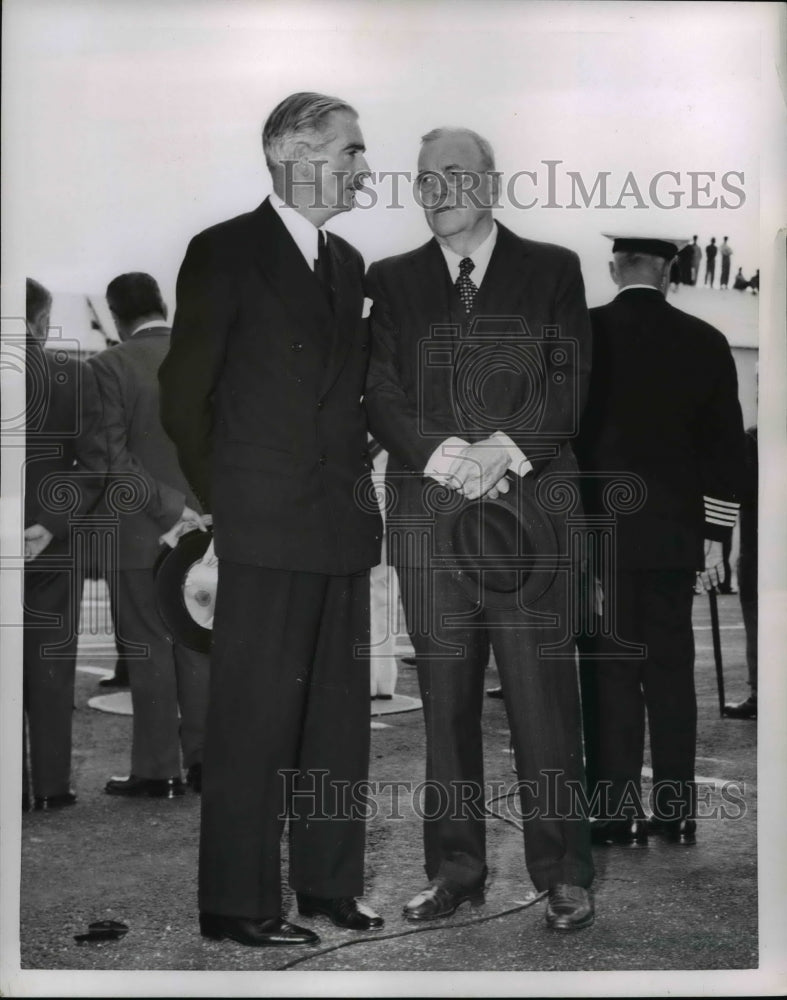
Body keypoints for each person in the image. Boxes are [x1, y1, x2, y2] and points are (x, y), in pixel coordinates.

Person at [159, 92, 384, 948]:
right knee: (253, 722)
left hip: (340, 526)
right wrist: (229, 498)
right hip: (263, 521)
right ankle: (236, 903)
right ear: (294, 152)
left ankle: (329, 887)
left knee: (338, 722)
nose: (366, 169)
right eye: (353, 151)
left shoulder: (350, 261)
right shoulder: (223, 251)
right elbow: (185, 395)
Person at [365, 127, 595, 932]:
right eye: (423, 179)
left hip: (527, 523)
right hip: (432, 522)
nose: (436, 190)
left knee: (542, 704)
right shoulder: (390, 281)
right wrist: (440, 454)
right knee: (444, 707)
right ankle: (455, 871)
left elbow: (569, 385)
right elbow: (380, 390)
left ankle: (564, 873)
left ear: (491, 183)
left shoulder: (553, 270)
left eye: (453, 175)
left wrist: (501, 448)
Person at [576, 236, 746, 846]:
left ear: (613, 267)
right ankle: (674, 812)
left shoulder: (585, 331)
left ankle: (611, 813)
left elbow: (564, 440)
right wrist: (715, 533)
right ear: (669, 271)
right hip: (675, 535)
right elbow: (726, 449)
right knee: (671, 674)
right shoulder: (706, 339)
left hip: (600, 536)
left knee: (609, 673)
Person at [87, 273, 211, 798]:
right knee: (199, 645)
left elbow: (108, 458)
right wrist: (197, 513)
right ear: (163, 304)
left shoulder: (108, 366)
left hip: (141, 533)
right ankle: (208, 762)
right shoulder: (203, 356)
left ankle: (157, 770)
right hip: (207, 530)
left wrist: (167, 511)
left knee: (148, 649)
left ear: (116, 315)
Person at [23, 278, 107, 810]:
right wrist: (50, 523)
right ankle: (52, 785)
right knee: (52, 668)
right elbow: (96, 464)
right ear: (41, 319)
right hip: (51, 546)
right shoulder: (71, 373)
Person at [724, 426, 758, 719]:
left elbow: (738, 490)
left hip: (758, 547)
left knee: (756, 619)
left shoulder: (753, 438)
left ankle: (760, 692)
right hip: (757, 546)